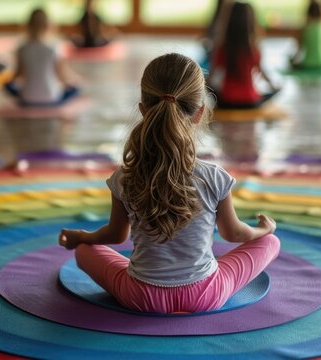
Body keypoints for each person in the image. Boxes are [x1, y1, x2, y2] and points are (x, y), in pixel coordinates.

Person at [58, 53, 280, 314]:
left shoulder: (125, 177)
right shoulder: (213, 176)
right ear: (200, 113)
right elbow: (234, 234)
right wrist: (263, 231)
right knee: (271, 244)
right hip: (205, 295)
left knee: (84, 251)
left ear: (142, 109)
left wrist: (82, 237)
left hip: (140, 296)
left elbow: (117, 236)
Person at [209, 2, 279, 109]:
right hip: (250, 101)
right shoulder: (254, 48)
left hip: (227, 101)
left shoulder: (222, 47)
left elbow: (212, 75)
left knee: (208, 87)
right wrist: (275, 87)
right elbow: (262, 72)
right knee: (272, 93)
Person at [4, 9, 79, 106]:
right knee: (76, 89)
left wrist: (5, 82)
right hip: (51, 98)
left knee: (7, 86)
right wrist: (76, 81)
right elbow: (62, 77)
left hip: (27, 98)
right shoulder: (54, 48)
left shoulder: (22, 49)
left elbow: (18, 75)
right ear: (48, 25)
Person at [290, 0, 321, 69]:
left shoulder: (305, 28)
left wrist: (292, 61)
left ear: (308, 14)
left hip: (308, 64)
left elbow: (299, 50)